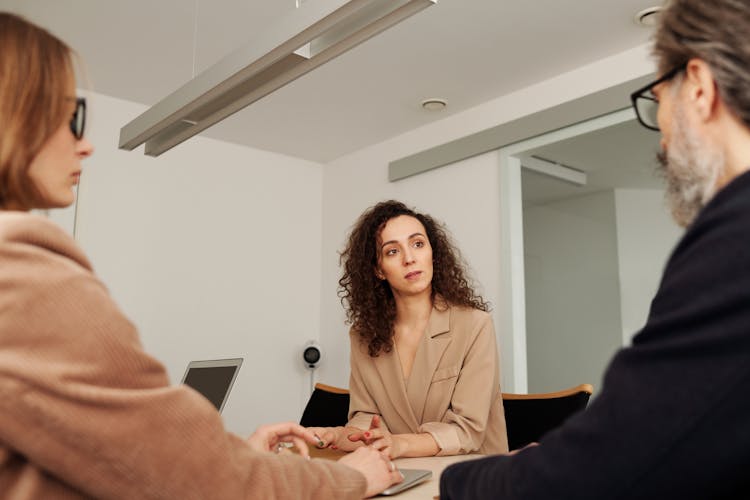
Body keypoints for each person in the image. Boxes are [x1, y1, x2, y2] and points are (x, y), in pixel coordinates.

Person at [0, 12, 403, 499]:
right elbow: (191, 479)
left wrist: (226, 456)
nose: (85, 145)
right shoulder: (26, 279)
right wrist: (353, 477)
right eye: (71, 118)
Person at [440, 0, 750, 498]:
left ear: (698, 86)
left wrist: (455, 482)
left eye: (658, 102)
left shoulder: (734, 239)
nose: (664, 141)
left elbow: (607, 469)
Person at [309, 200, 508, 459]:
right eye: (392, 251)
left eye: (418, 244)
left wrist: (399, 444)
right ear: (378, 269)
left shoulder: (475, 325)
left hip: (470, 478)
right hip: (402, 473)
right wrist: (335, 436)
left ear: (432, 253)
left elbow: (466, 431)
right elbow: (366, 420)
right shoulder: (363, 337)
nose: (410, 258)